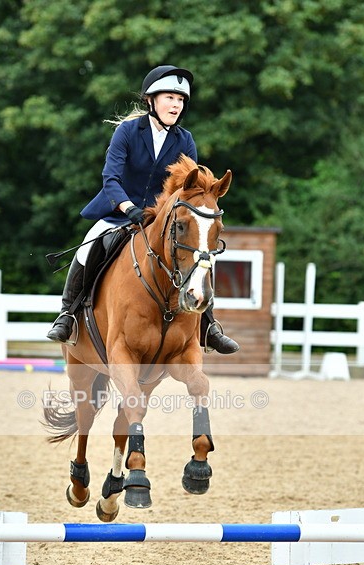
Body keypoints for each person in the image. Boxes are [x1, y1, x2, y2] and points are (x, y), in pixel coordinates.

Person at [47, 64, 239, 354]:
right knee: (88, 248)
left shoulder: (184, 139)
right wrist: (128, 207)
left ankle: (207, 326)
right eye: (170, 98)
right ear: (151, 101)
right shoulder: (127, 131)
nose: (176, 105)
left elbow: (191, 189)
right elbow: (110, 178)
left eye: (180, 100)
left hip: (162, 219)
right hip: (119, 212)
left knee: (197, 256)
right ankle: (68, 315)